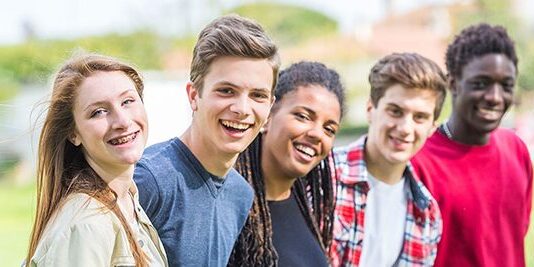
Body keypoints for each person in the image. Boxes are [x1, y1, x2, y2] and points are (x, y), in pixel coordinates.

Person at [133, 14, 280, 266]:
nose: (242, 108)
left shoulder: (240, 194)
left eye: (257, 95)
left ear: (270, 107)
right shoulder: (149, 181)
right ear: (193, 95)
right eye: (226, 91)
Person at [25, 53, 168, 267]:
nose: (122, 121)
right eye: (99, 112)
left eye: (127, 101)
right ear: (74, 133)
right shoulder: (87, 224)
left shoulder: (128, 199)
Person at [411, 23, 533, 267]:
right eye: (481, 84)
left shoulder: (516, 150)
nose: (495, 97)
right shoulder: (418, 163)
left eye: (506, 85)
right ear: (453, 83)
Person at [330, 53, 446, 266]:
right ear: (370, 110)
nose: (405, 128)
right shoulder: (326, 177)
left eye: (420, 117)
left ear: (432, 128)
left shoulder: (427, 214)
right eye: (395, 111)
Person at [228, 61, 345, 266]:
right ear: (268, 116)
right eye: (303, 116)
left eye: (329, 129)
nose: (317, 134)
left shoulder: (308, 204)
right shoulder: (227, 208)